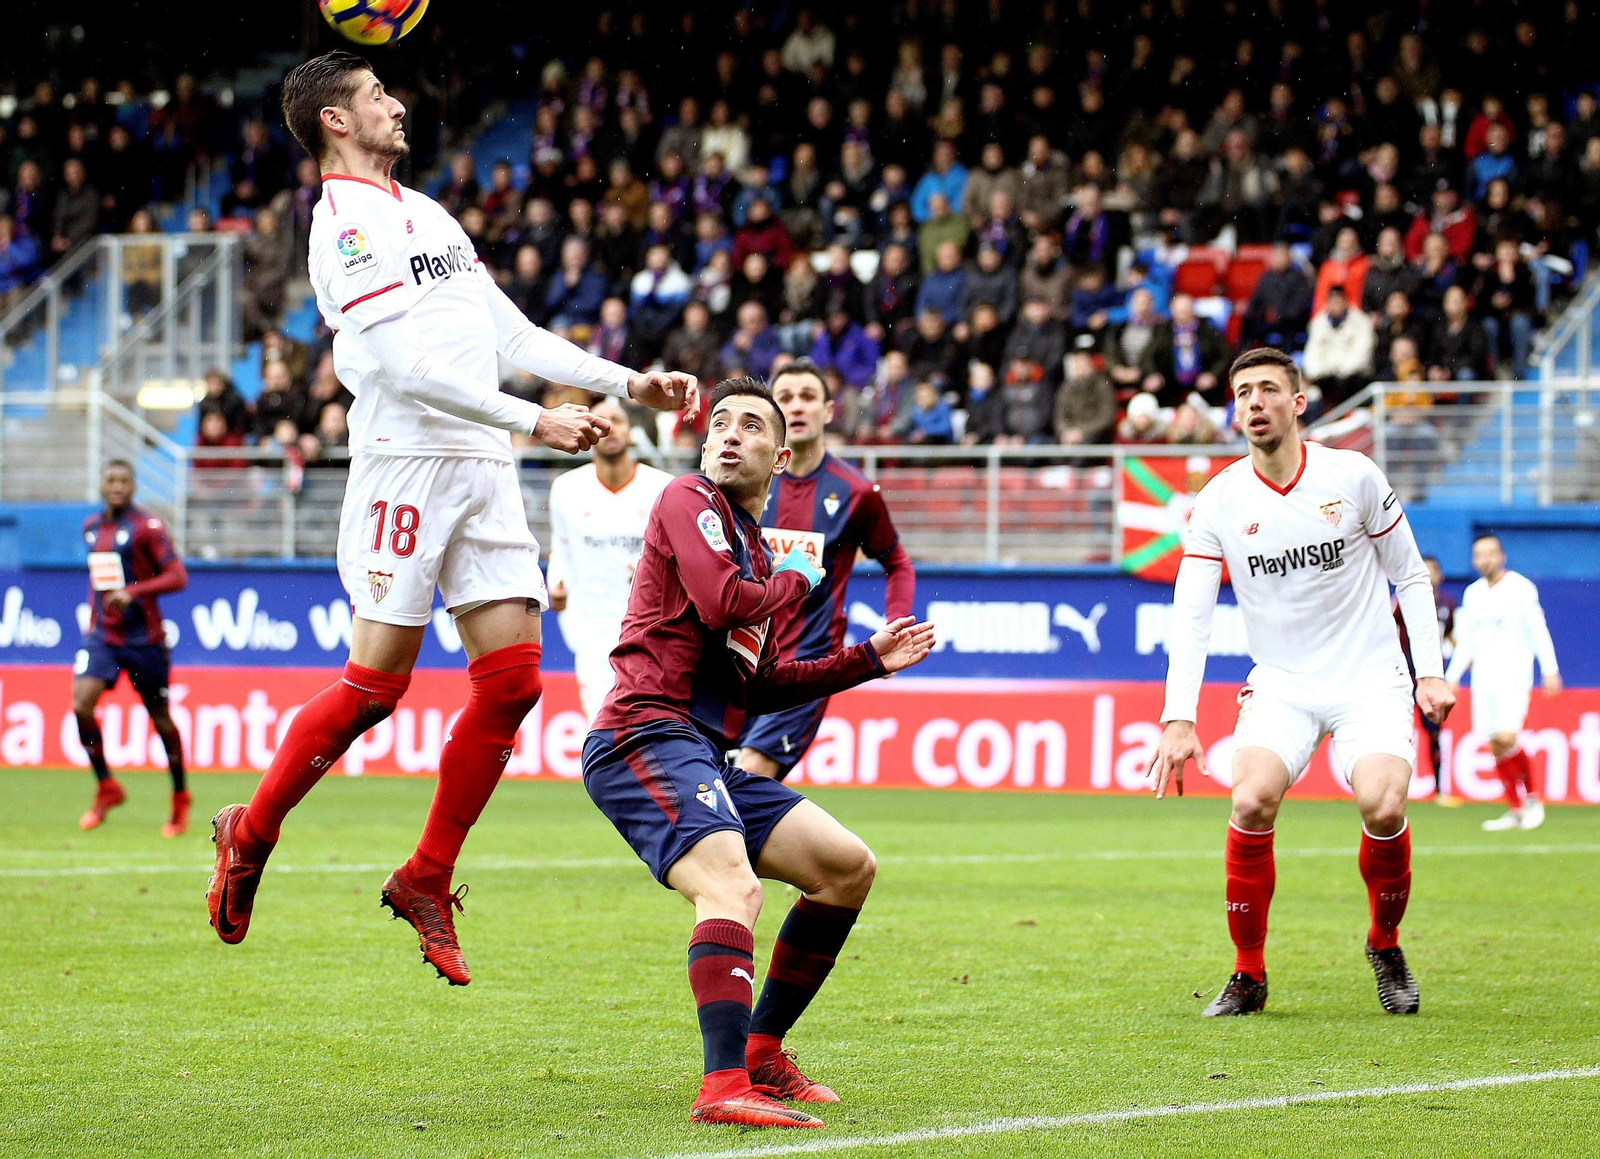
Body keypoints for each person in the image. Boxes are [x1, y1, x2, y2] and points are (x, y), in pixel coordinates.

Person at [205, 51, 697, 985]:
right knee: (375, 688)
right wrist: (534, 417)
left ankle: (427, 874)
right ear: (334, 123)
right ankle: (253, 827)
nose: (396, 106)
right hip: (408, 469)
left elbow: (509, 333)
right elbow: (399, 369)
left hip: (481, 466)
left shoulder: (426, 212)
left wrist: (627, 379)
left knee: (514, 685)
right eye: (376, 97)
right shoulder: (340, 228)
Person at [582, 378, 935, 1127]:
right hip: (642, 732)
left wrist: (867, 657)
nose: (730, 434)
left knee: (846, 867)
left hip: (701, 750)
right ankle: (723, 1087)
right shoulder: (687, 499)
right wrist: (790, 580)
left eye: (751, 425)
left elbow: (762, 682)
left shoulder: (753, 545)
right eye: (720, 424)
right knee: (734, 889)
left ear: (780, 457)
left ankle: (763, 1050)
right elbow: (719, 601)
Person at [1149, 346, 1453, 1019]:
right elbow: (1191, 613)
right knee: (1251, 798)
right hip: (1283, 681)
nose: (1253, 402)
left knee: (1382, 804)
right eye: (1242, 392)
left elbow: (1410, 575)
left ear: (1298, 401)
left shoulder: (1353, 476)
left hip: (1370, 676)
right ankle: (1248, 972)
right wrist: (1179, 715)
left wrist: (1428, 671)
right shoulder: (1220, 500)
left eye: (1266, 389)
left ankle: (1385, 941)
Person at [734, 362, 917, 780]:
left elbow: (898, 562)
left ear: (829, 410)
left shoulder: (856, 491)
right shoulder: (743, 483)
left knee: (752, 773)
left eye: (808, 397)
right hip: (739, 658)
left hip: (807, 664)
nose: (797, 406)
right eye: (786, 398)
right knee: (719, 784)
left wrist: (897, 622)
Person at [74, 461, 191, 836]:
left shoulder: (148, 528)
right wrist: (96, 617)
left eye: (124, 480)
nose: (117, 486)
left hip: (145, 641)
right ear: (102, 484)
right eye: (111, 480)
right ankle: (107, 786)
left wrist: (134, 592)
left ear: (134, 486)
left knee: (160, 719)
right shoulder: (91, 527)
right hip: (105, 638)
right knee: (81, 705)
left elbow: (177, 577)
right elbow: (100, 580)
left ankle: (179, 797)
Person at [545, 399, 674, 722]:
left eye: (616, 419)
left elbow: (678, 557)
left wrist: (654, 571)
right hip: (592, 628)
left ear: (631, 432)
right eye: (598, 421)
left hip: (650, 629)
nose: (608, 427)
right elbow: (561, 547)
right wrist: (555, 583)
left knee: (648, 725)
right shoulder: (566, 489)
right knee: (600, 725)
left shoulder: (661, 487)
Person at [1445, 535, 1562, 831]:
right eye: (1479, 555)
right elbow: (1466, 641)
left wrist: (1550, 669)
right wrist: (1452, 677)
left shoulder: (1521, 588)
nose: (1485, 560)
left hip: (1513, 675)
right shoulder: (1472, 593)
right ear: (1473, 561)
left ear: (1502, 556)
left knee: (1508, 737)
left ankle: (1533, 800)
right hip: (1483, 678)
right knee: (1495, 743)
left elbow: (1538, 629)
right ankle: (1515, 808)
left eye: (1490, 554)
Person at [1394, 556, 1458, 804]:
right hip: (1403, 677)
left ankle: (1440, 790)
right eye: (1424, 570)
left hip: (1430, 678)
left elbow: (1452, 637)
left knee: (1434, 733)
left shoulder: (1447, 605)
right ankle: (1396, 790)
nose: (1429, 575)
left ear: (1440, 575)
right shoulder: (1402, 603)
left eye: (1432, 570)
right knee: (1398, 733)